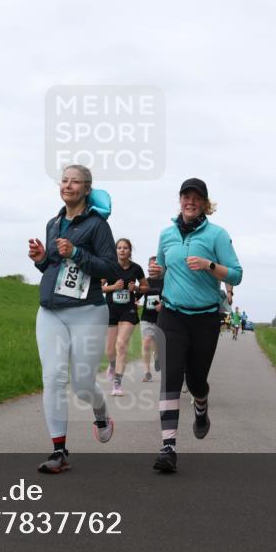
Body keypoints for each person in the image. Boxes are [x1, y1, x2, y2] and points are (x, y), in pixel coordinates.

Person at [29, 164, 119, 473]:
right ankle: (58, 451)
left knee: (82, 384)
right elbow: (54, 269)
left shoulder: (97, 226)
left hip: (88, 312)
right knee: (52, 378)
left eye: (75, 181)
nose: (68, 185)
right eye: (64, 180)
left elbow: (110, 268)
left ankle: (101, 412)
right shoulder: (53, 224)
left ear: (87, 189)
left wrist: (76, 253)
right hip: (50, 311)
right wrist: (42, 259)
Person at [153, 178, 242, 473]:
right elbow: (164, 271)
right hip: (172, 315)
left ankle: (201, 405)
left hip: (204, 318)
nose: (189, 202)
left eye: (196, 197)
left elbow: (237, 275)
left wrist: (210, 266)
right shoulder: (166, 235)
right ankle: (168, 447)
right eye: (185, 196)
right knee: (170, 378)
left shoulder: (217, 235)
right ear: (179, 200)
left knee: (196, 380)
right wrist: (156, 273)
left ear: (204, 203)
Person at [101, 239, 147, 395]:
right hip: (111, 309)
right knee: (109, 350)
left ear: (130, 251)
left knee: (121, 345)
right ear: (116, 250)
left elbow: (145, 287)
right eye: (119, 248)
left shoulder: (136, 269)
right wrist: (114, 287)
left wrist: (136, 288)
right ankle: (112, 365)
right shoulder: (109, 267)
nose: (122, 250)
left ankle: (117, 384)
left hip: (128, 310)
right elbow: (99, 287)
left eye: (125, 248)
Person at [138, 256, 163, 382]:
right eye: (151, 265)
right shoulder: (145, 282)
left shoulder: (166, 281)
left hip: (161, 318)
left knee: (157, 343)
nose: (153, 268)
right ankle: (147, 372)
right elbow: (137, 295)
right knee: (147, 341)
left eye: (156, 265)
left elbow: (172, 296)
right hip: (146, 317)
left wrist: (162, 304)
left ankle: (157, 355)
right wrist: (134, 300)